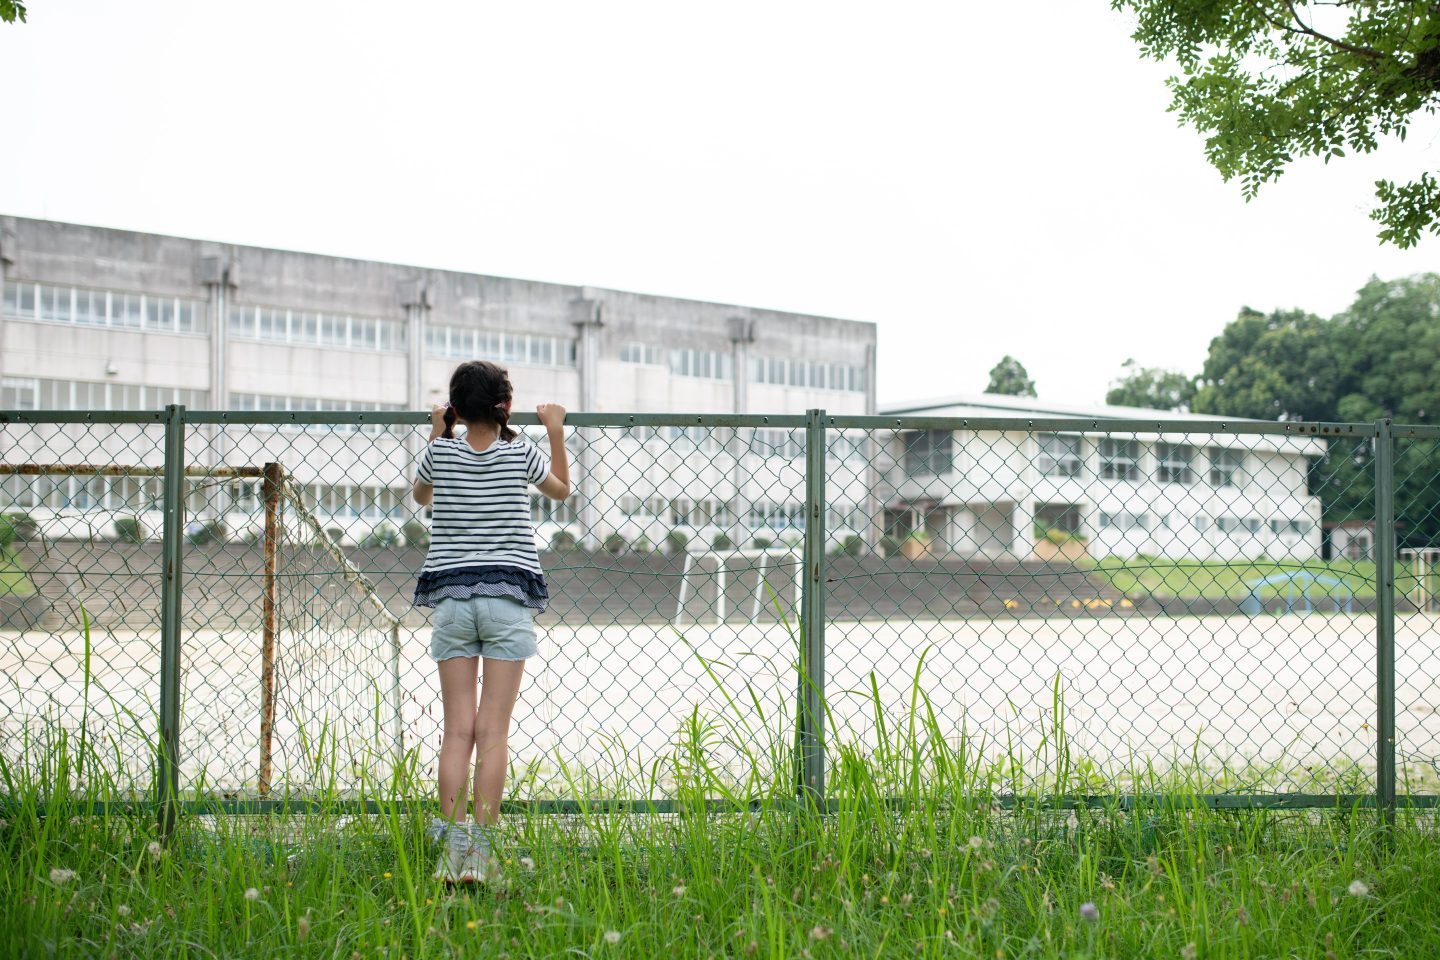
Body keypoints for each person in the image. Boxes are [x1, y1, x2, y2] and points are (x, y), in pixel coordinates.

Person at [411, 359, 570, 884]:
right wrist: (554, 431)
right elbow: (561, 490)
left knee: (456, 729)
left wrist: (439, 431)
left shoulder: (440, 453)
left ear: (456, 409)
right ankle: (480, 854)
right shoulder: (519, 451)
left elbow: (421, 496)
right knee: (492, 732)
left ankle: (449, 853)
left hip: (453, 599)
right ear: (505, 407)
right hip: (507, 596)